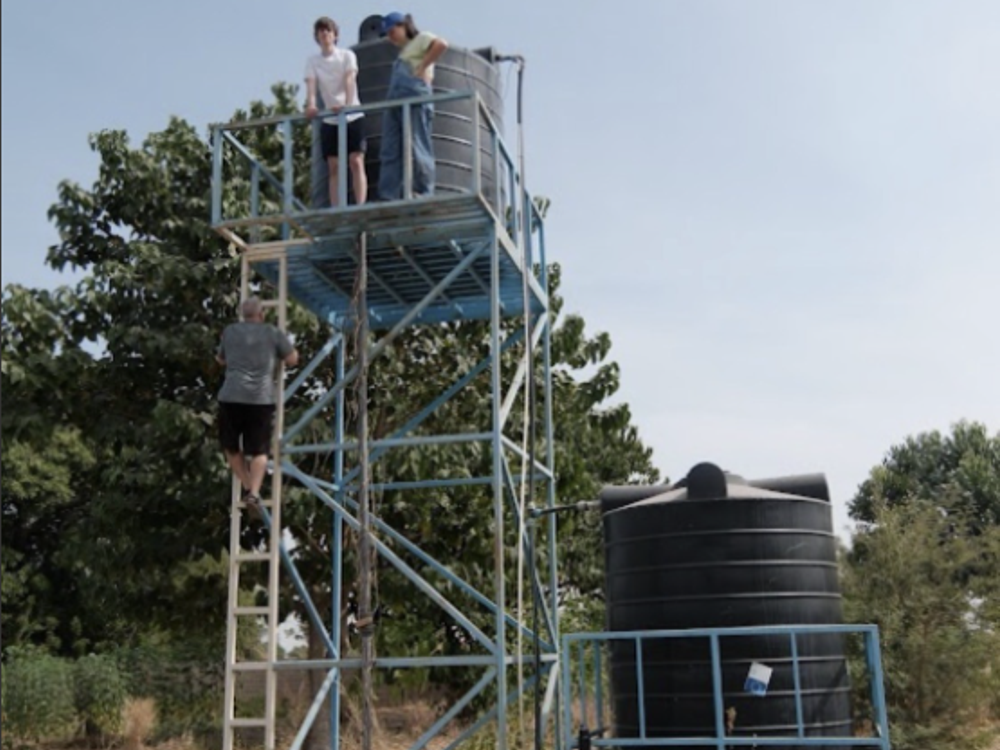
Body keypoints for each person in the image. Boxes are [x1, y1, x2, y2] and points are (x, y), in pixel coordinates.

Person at [216, 297, 299, 505]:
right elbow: (292, 359)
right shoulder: (272, 332)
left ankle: (246, 485)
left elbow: (220, 359)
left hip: (231, 396)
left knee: (231, 447)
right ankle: (254, 491)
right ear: (261, 315)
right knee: (260, 450)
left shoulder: (230, 331)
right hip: (260, 399)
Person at [377, 12, 448, 201]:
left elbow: (441, 44)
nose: (390, 37)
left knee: (418, 144)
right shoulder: (403, 54)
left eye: (392, 32)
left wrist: (422, 67)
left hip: (414, 94)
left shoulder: (421, 38)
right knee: (390, 149)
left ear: (404, 26)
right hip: (395, 100)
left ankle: (423, 192)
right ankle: (389, 195)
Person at [304, 16, 368, 207]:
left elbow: (350, 79)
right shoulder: (313, 61)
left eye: (328, 31)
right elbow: (311, 84)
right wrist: (311, 105)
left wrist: (347, 105)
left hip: (353, 115)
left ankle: (360, 205)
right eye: (321, 31)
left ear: (335, 35)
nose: (324, 34)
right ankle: (336, 208)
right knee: (333, 166)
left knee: (356, 161)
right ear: (317, 36)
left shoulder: (347, 56)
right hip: (330, 119)